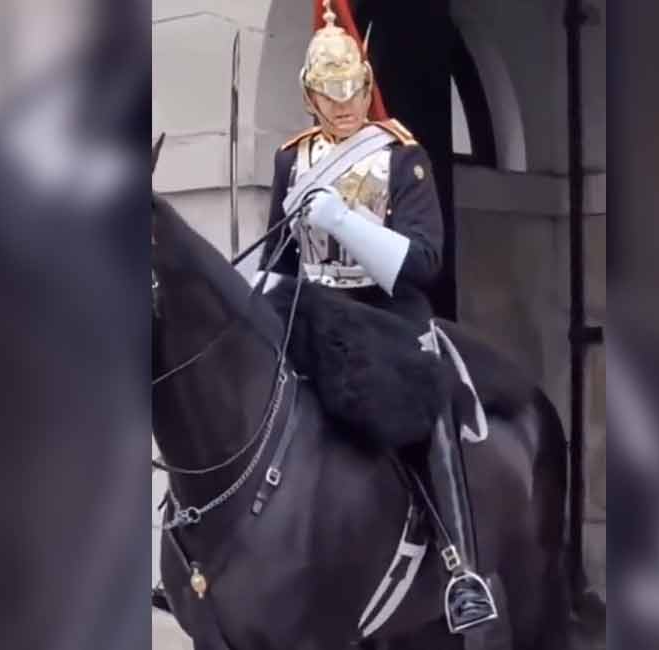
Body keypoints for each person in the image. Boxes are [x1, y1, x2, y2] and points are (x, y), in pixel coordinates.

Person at [254, 1, 498, 634]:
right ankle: (200, 543)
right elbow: (282, 258)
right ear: (309, 94)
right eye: (331, 92)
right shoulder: (292, 159)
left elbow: (424, 263)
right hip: (310, 312)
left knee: (431, 402)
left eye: (354, 87)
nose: (346, 103)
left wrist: (341, 218)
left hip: (386, 315)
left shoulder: (402, 157)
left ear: (367, 81)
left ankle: (459, 567)